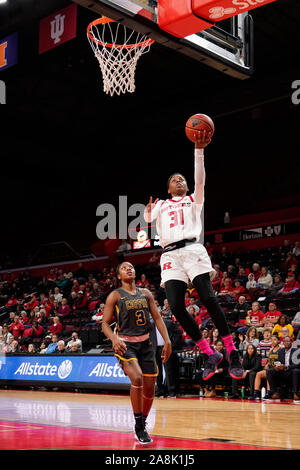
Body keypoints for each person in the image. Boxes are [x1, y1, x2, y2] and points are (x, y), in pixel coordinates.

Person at [143, 131, 243, 381]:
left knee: (208, 298)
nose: (179, 181)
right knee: (176, 307)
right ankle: (210, 353)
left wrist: (199, 151)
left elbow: (200, 180)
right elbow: (147, 219)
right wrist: (147, 213)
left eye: (181, 179)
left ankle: (232, 352)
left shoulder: (194, 199)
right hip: (170, 256)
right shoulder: (163, 205)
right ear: (168, 188)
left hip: (192, 249)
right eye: (174, 180)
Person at [102, 262, 171, 445]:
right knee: (137, 378)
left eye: (131, 267)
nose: (129, 269)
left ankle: (142, 421)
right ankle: (139, 426)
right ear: (118, 276)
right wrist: (114, 339)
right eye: (124, 268)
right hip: (125, 344)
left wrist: (167, 341)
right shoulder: (115, 296)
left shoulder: (146, 293)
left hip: (147, 344)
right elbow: (104, 324)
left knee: (150, 390)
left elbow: (157, 317)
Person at [248, 334, 281, 400]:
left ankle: (269, 393)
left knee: (269, 373)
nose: (273, 341)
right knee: (258, 374)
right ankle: (256, 394)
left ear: (278, 341)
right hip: (270, 368)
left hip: (277, 370)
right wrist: (267, 364)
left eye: (275, 340)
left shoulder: (280, 349)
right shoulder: (271, 350)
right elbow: (270, 360)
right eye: (271, 340)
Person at [265, 336, 295, 401]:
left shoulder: (295, 351)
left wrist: (287, 367)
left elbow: (297, 364)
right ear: (283, 343)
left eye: (288, 341)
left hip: (291, 371)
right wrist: (277, 367)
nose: (286, 343)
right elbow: (279, 361)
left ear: (291, 342)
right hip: (282, 371)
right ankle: (274, 392)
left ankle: (295, 393)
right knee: (269, 371)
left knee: (296, 371)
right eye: (284, 341)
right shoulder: (281, 351)